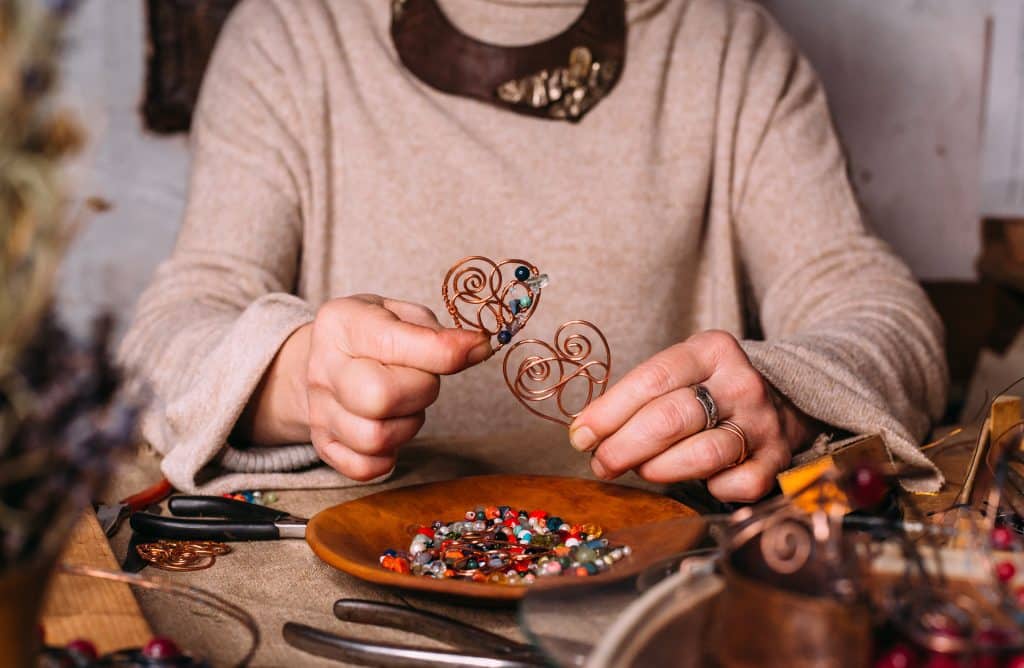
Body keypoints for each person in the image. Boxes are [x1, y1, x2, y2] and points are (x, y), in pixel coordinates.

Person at [119, 0, 948, 499]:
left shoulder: (728, 47)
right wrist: (291, 377)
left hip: (656, 582)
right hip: (345, 585)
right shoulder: (292, 35)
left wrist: (783, 392)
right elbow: (167, 333)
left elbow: (879, 311)